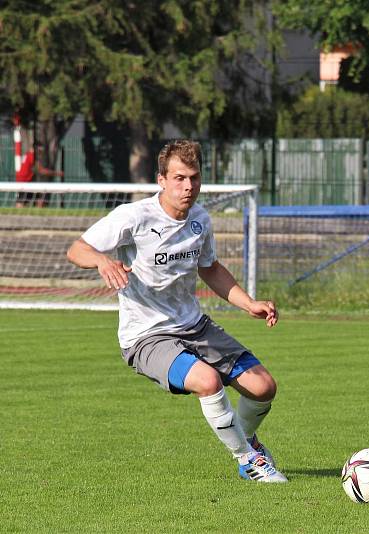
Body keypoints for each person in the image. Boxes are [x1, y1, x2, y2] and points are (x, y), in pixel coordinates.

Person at [66, 139, 287, 483]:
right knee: (208, 381)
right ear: (162, 180)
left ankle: (246, 438)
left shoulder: (200, 219)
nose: (188, 186)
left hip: (194, 326)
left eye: (194, 178)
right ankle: (248, 460)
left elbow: (210, 268)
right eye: (180, 178)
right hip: (146, 335)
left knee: (263, 388)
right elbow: (77, 249)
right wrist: (101, 261)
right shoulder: (133, 217)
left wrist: (249, 303)